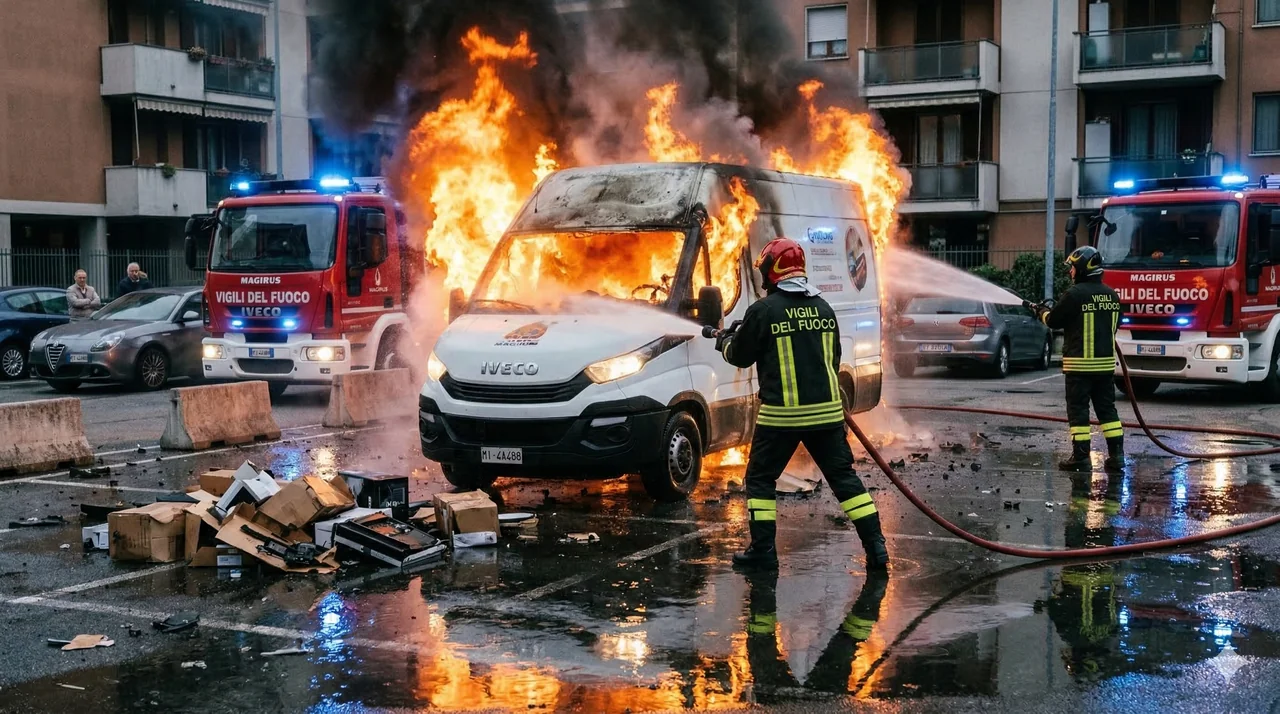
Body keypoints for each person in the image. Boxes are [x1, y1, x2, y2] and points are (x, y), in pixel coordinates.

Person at [718, 238, 889, 570]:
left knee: (760, 480)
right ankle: (876, 547)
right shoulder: (824, 309)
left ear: (774, 270)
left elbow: (739, 356)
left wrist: (724, 341)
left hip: (781, 418)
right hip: (827, 416)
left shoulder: (763, 311)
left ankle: (763, 553)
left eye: (764, 269)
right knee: (844, 480)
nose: (762, 277)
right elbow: (833, 359)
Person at [1031, 246, 1125, 471]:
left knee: (1078, 412)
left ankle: (1081, 457)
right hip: (1104, 367)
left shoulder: (1074, 294)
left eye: (1072, 267)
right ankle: (1117, 456)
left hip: (1080, 366)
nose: (1070, 272)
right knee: (1107, 411)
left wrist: (1041, 311)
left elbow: (1053, 320)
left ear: (1083, 268)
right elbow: (1116, 324)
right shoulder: (1112, 295)